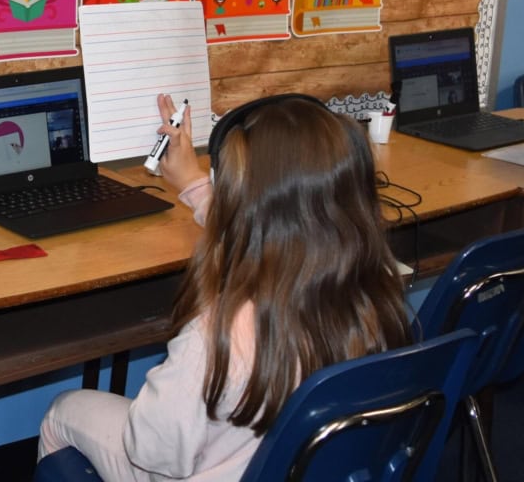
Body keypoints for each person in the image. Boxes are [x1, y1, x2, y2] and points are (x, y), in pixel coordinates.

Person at [37, 94, 411, 480]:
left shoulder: (216, 335)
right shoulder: (376, 282)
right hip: (304, 465)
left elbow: (149, 449)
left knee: (64, 410)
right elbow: (277, 217)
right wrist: (193, 183)